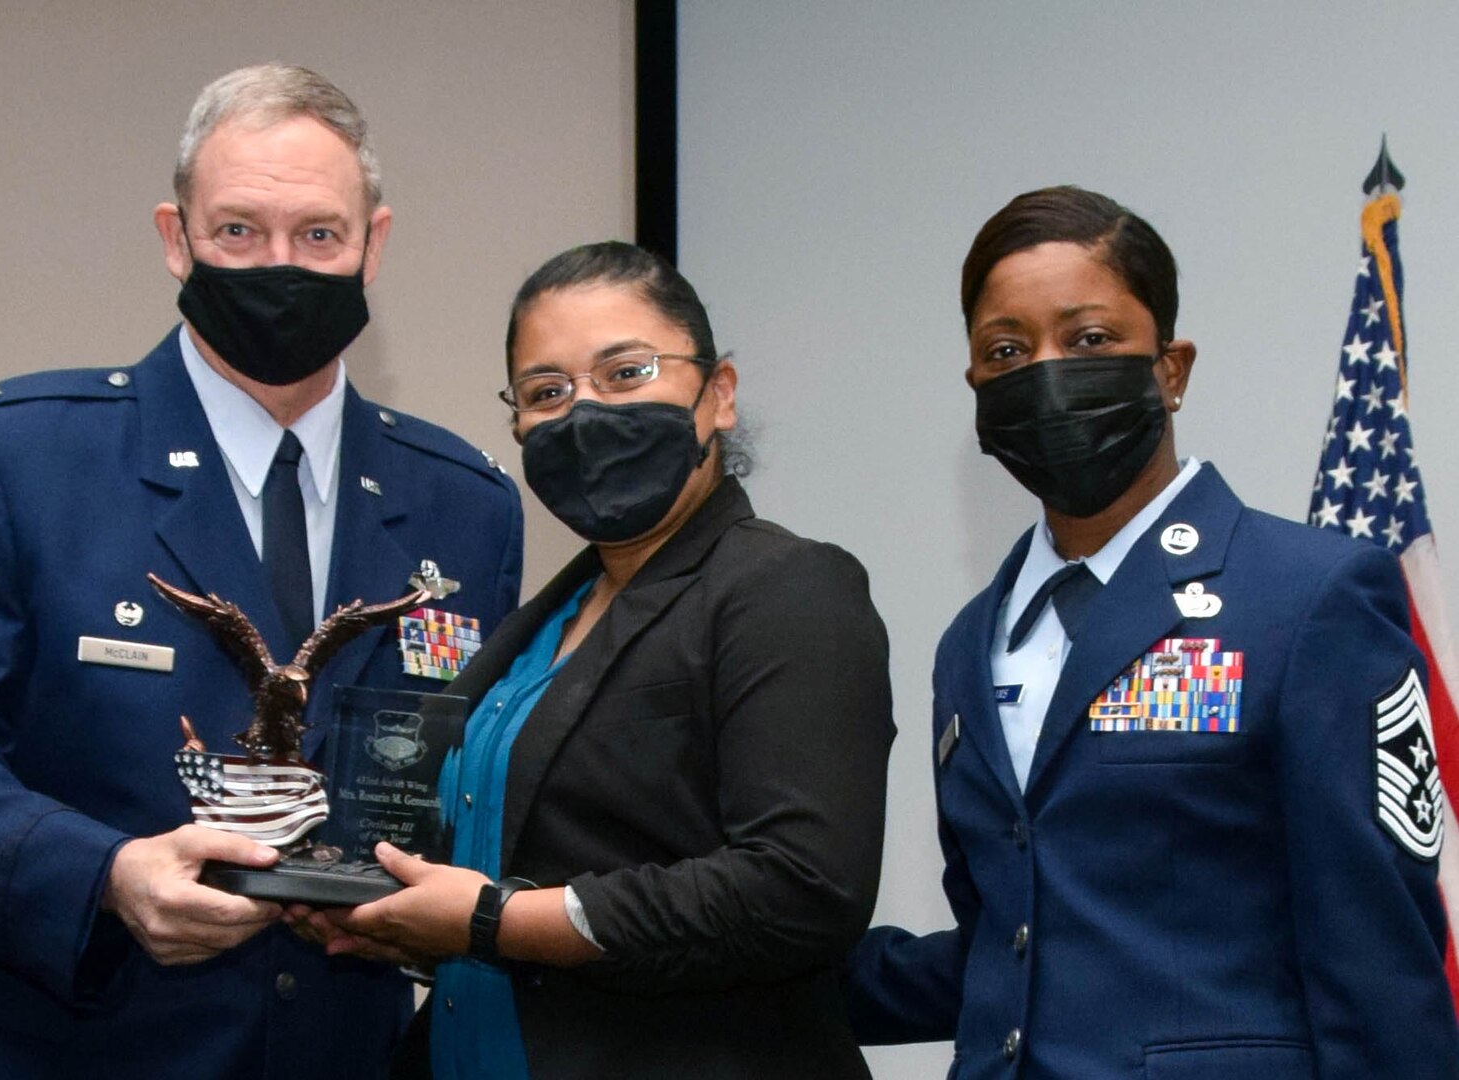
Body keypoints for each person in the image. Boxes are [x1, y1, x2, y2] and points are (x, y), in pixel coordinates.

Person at [0, 64, 523, 1078]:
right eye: (238, 231)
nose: (278, 265)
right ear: (175, 237)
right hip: (68, 1045)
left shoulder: (465, 503)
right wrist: (105, 874)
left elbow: (474, 781)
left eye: (318, 235)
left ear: (372, 245)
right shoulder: (20, 456)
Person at [845, 186, 1459, 1077]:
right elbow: (1015, 938)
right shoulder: (971, 641)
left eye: (1089, 340)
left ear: (1170, 369)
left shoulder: (1310, 596)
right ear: (975, 383)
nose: (1046, 371)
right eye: (1006, 349)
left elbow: (1376, 963)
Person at [297, 241, 894, 1078]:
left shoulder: (785, 588)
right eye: (547, 392)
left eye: (626, 373)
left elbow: (798, 892)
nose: (585, 414)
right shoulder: (546, 620)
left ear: (717, 393)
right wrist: (384, 914)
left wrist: (488, 921)